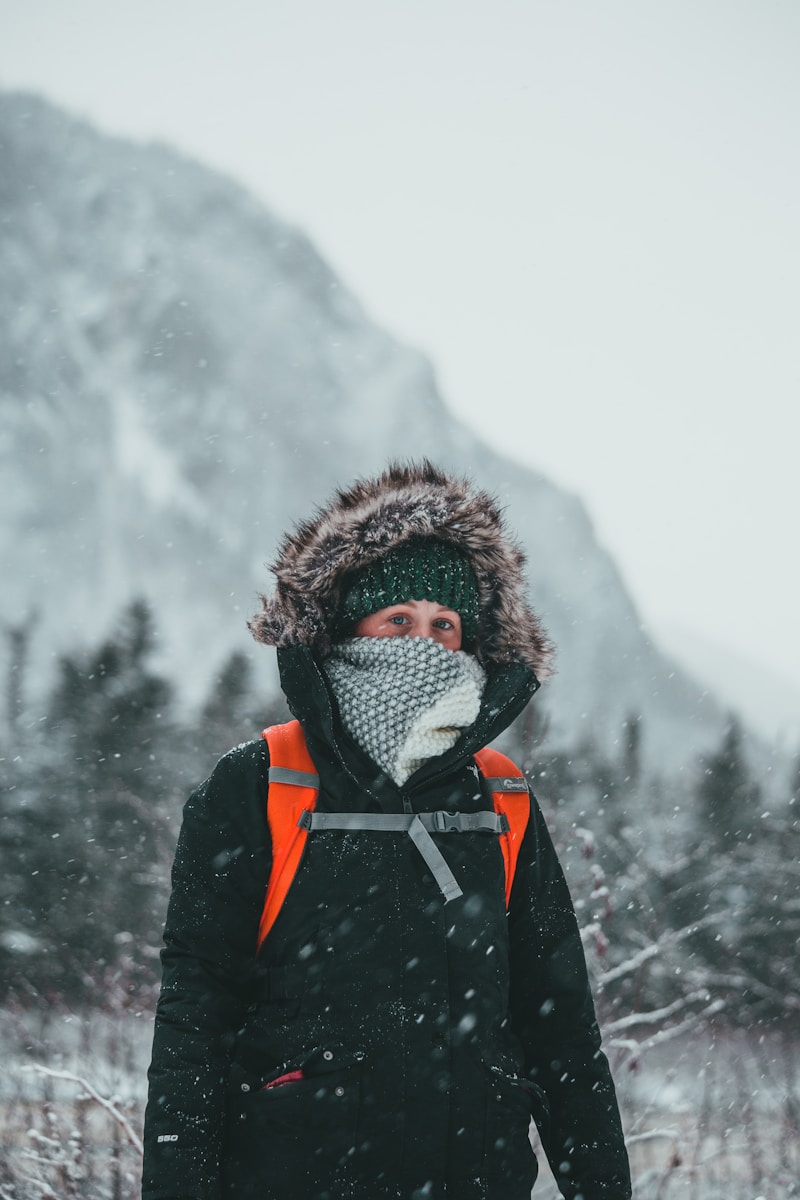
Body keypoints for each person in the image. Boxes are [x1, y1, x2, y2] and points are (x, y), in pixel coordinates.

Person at [142, 461, 632, 1200]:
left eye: (445, 625)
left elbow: (559, 1029)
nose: (424, 644)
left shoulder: (501, 796)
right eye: (397, 620)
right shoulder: (260, 782)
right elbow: (195, 1020)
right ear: (347, 628)